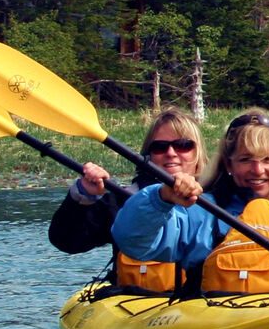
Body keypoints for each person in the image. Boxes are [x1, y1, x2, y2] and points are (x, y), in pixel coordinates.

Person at [111, 109, 269, 294]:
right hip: (221, 326)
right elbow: (133, 241)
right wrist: (161, 198)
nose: (257, 170)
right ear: (229, 164)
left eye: (267, 160)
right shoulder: (202, 213)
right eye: (245, 160)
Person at [48, 108, 209, 294]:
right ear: (148, 156)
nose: (171, 153)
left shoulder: (217, 202)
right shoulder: (123, 200)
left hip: (200, 306)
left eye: (183, 145)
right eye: (160, 147)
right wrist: (84, 197)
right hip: (133, 304)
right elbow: (67, 242)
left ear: (198, 154)